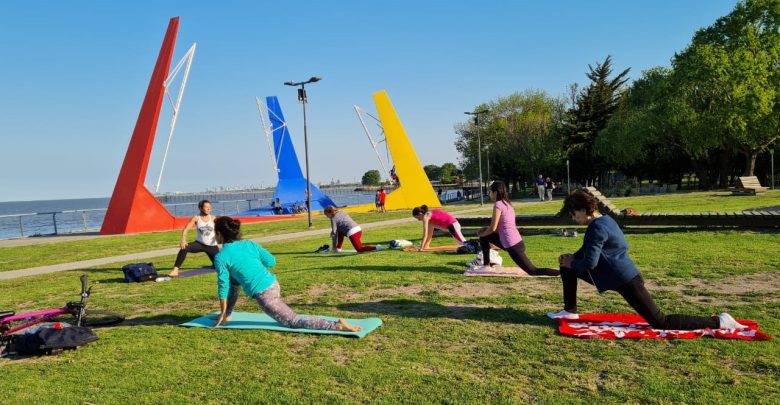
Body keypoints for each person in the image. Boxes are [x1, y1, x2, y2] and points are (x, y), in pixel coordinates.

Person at [547, 190, 746, 331]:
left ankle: (719, 321)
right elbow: (587, 251)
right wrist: (571, 260)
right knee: (568, 264)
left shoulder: (597, 227)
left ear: (584, 209)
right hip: (612, 274)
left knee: (661, 321)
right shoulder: (605, 220)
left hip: (625, 279)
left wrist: (573, 263)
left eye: (574, 214)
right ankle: (569, 311)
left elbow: (590, 263)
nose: (573, 219)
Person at [211, 216, 361, 331]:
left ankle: (336, 325)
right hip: (273, 284)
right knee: (235, 282)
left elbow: (222, 288)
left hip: (264, 295)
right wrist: (251, 266)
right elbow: (271, 262)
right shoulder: (249, 244)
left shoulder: (221, 256)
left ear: (219, 234)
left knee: (293, 321)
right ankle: (227, 314)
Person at [476, 181, 560, 276]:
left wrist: (481, 233)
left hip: (513, 245)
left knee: (533, 271)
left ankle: (563, 272)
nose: (489, 194)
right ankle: (486, 265)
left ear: (495, 192)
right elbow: (501, 227)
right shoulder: (507, 204)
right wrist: (484, 232)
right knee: (484, 236)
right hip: (515, 242)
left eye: (490, 191)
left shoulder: (498, 205)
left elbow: (493, 228)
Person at [169, 200, 219, 277]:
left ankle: (215, 264)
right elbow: (186, 229)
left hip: (212, 246)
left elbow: (223, 226)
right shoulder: (196, 218)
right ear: (201, 208)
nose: (209, 209)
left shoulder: (213, 218)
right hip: (200, 244)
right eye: (206, 207)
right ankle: (175, 270)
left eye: (210, 207)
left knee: (219, 266)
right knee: (184, 248)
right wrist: (183, 239)